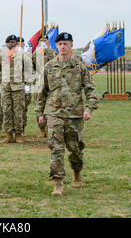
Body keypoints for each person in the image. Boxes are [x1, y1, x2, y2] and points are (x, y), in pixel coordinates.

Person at [35, 32, 99, 196]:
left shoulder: (78, 66)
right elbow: (42, 92)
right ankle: (58, 182)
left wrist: (89, 108)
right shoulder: (49, 66)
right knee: (56, 149)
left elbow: (90, 88)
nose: (63, 47)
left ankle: (76, 171)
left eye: (66, 44)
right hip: (54, 114)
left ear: (71, 46)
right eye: (60, 44)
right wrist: (40, 113)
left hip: (75, 114)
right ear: (57, 46)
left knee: (75, 149)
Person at [0, 34, 32, 144]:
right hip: (6, 86)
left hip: (18, 87)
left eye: (13, 42)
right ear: (6, 44)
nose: (11, 44)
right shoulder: (1, 56)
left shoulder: (22, 55)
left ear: (16, 44)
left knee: (18, 111)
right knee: (6, 111)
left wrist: (26, 83)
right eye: (9, 42)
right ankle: (8, 135)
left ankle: (18, 135)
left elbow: (28, 69)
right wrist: (0, 81)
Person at [32, 33, 57, 138]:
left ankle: (52, 129)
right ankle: (42, 129)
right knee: (39, 106)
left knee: (52, 106)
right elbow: (31, 68)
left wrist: (46, 50)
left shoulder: (53, 53)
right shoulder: (35, 54)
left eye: (45, 40)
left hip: (51, 84)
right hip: (38, 84)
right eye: (41, 40)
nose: (43, 42)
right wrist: (35, 76)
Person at [17, 36, 31, 136]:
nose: (19, 44)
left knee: (24, 108)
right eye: (17, 42)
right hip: (15, 85)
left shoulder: (27, 54)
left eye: (21, 42)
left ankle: (22, 128)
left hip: (25, 83)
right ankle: (15, 129)